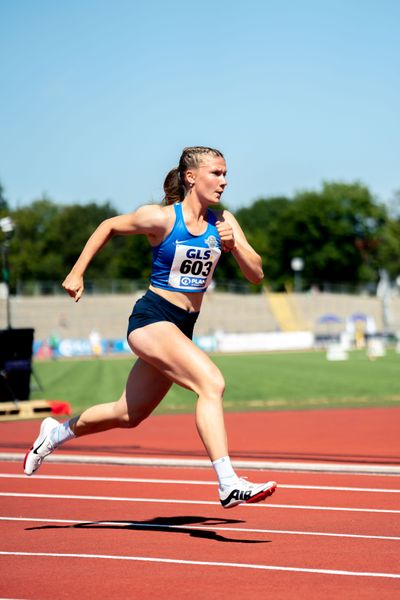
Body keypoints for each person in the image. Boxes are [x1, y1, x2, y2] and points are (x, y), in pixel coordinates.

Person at [23, 146, 277, 509]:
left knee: (129, 414)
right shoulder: (161, 219)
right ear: (191, 177)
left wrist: (234, 245)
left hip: (181, 327)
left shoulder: (224, 221)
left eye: (225, 173)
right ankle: (227, 482)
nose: (225, 180)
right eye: (216, 173)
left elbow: (256, 274)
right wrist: (77, 272)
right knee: (211, 383)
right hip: (152, 319)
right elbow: (108, 226)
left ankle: (55, 433)